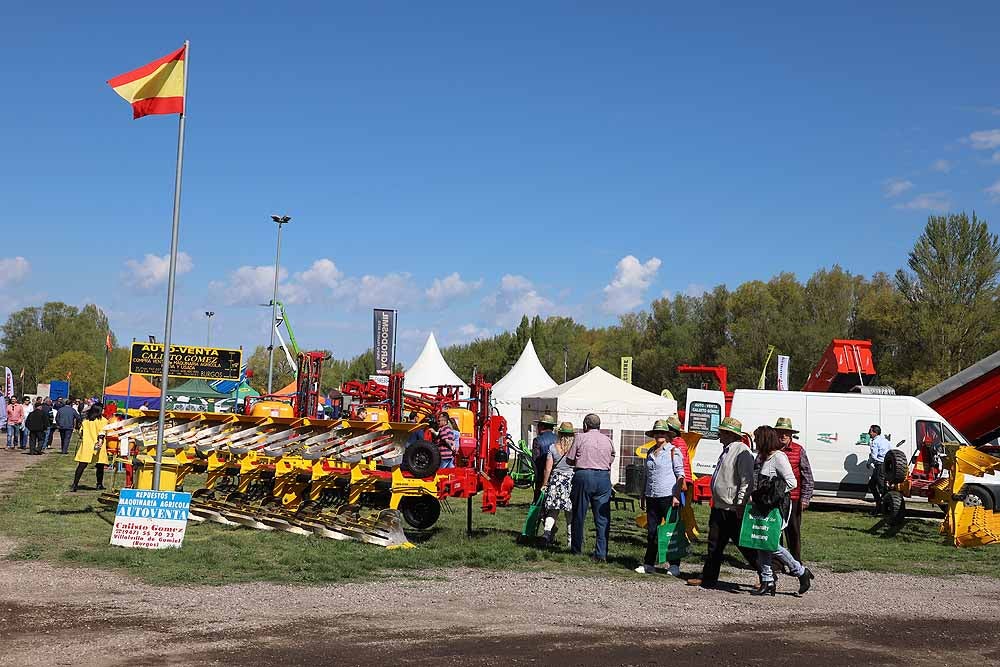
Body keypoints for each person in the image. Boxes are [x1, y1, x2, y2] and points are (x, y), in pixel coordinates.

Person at [687, 416, 757, 589]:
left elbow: (746, 481)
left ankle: (766, 574)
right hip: (720, 506)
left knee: (744, 545)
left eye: (722, 432)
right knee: (714, 544)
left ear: (730, 434)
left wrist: (740, 503)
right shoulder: (727, 449)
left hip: (733, 507)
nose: (719, 435)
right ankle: (709, 578)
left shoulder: (742, 451)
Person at [749, 426, 814, 596]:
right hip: (762, 506)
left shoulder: (779, 457)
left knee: (770, 544)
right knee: (761, 543)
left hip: (775, 507)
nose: (755, 441)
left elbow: (792, 482)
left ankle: (800, 571)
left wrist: (771, 492)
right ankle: (768, 580)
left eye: (757, 438)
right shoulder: (762, 458)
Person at [635, 420, 685, 576]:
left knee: (671, 532)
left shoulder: (673, 451)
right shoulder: (650, 452)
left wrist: (676, 496)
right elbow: (646, 475)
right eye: (657, 433)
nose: (659, 435)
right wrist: (642, 495)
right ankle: (649, 563)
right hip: (652, 497)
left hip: (669, 497)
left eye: (662, 433)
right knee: (651, 532)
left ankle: (674, 565)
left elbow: (680, 475)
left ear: (668, 435)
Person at [568, 413, 615, 562]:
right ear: (599, 426)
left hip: (583, 476)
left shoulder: (580, 438)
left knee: (579, 514)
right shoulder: (608, 440)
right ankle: (601, 553)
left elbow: (570, 459)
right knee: (602, 517)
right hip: (603, 478)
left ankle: (576, 549)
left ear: (585, 425)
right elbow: (612, 457)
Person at [774, 418, 813, 563]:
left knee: (793, 531)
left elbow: (807, 475)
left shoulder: (798, 450)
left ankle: (796, 562)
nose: (783, 436)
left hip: (793, 497)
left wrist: (805, 498)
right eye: (780, 432)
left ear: (791, 435)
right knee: (775, 531)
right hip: (774, 498)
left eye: (786, 433)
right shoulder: (771, 450)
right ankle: (777, 563)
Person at [540, 421, 576, 547]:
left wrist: (545, 483)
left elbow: (548, 468)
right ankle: (570, 542)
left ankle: (546, 534)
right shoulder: (575, 449)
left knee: (552, 511)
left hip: (556, 481)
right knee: (570, 513)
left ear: (559, 433)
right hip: (571, 481)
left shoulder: (552, 448)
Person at [72, 405, 110, 492]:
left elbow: (81, 432)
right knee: (100, 466)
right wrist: (100, 441)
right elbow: (102, 432)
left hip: (86, 445)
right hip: (98, 445)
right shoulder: (103, 420)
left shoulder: (86, 421)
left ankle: (75, 484)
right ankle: (99, 484)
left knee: (81, 466)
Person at [531, 414, 558, 504]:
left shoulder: (537, 440)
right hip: (555, 474)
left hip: (542, 475)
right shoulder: (558, 439)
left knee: (539, 501)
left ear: (542, 426)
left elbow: (535, 460)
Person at [866, 424, 891, 514]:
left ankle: (882, 506)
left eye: (870, 431)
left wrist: (869, 463)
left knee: (880, 487)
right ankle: (881, 505)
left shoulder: (874, 442)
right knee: (876, 485)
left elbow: (873, 456)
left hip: (879, 466)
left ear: (875, 432)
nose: (869, 433)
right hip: (885, 465)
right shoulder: (885, 440)